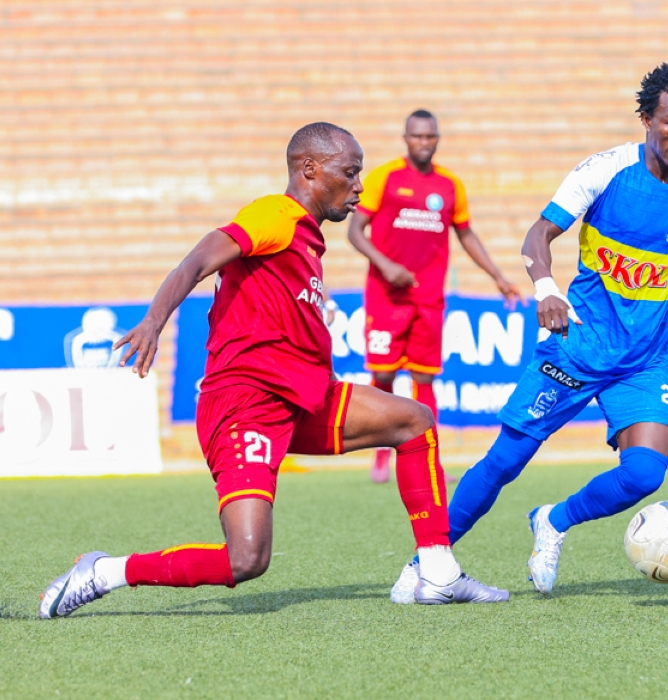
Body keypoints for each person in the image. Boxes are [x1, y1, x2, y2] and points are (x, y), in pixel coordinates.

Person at [39, 123, 508, 619]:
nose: (359, 186)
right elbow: (196, 261)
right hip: (245, 405)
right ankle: (104, 571)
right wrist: (154, 322)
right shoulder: (275, 215)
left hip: (303, 397)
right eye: (349, 173)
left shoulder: (306, 240)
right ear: (310, 168)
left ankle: (437, 570)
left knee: (415, 421)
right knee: (247, 559)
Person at [389, 62, 668, 601]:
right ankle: (423, 567)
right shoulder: (606, 170)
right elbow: (539, 234)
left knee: (644, 475)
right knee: (504, 461)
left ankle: (554, 521)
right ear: (645, 118)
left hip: (642, 360)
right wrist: (546, 289)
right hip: (577, 346)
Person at [348, 109, 521, 484]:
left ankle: (427, 451)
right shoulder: (385, 178)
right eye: (417, 136)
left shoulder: (449, 186)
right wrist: (387, 265)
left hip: (428, 298)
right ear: (406, 138)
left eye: (430, 137)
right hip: (386, 296)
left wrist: (498, 276)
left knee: (424, 379)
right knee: (383, 373)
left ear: (437, 139)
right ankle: (381, 451)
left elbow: (466, 234)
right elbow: (355, 231)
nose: (424, 143)